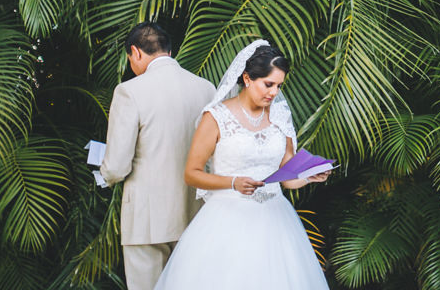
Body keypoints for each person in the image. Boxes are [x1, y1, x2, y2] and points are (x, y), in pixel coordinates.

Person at [152, 40, 331, 289]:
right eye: (268, 84)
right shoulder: (216, 117)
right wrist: (233, 182)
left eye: (279, 86)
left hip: (276, 221)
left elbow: (288, 178)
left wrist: (309, 175)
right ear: (247, 78)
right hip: (226, 220)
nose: (274, 93)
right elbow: (191, 173)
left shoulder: (281, 117)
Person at [99, 23, 216, 290]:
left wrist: (103, 172)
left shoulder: (129, 91)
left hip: (146, 218)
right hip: (197, 211)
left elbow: (116, 166)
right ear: (169, 50)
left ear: (135, 52)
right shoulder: (205, 88)